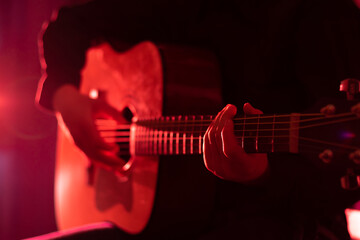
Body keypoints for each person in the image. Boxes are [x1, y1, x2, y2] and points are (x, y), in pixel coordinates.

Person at [35, 0, 360, 239]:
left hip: (270, 222)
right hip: (154, 221)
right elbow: (68, 25)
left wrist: (261, 174)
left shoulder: (324, 14)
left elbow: (338, 188)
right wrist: (66, 98)